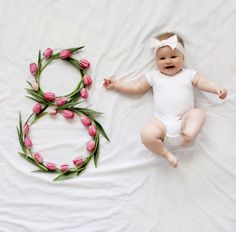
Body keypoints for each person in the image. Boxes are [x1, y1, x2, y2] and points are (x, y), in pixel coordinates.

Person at [103, 32, 227, 168]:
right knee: (146, 134)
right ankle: (166, 154)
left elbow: (202, 82)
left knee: (198, 114)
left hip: (184, 119)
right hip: (161, 123)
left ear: (183, 57)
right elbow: (136, 87)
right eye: (162, 58)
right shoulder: (153, 76)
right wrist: (117, 84)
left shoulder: (188, 74)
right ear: (156, 61)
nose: (168, 61)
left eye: (173, 56)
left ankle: (189, 134)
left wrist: (216, 88)